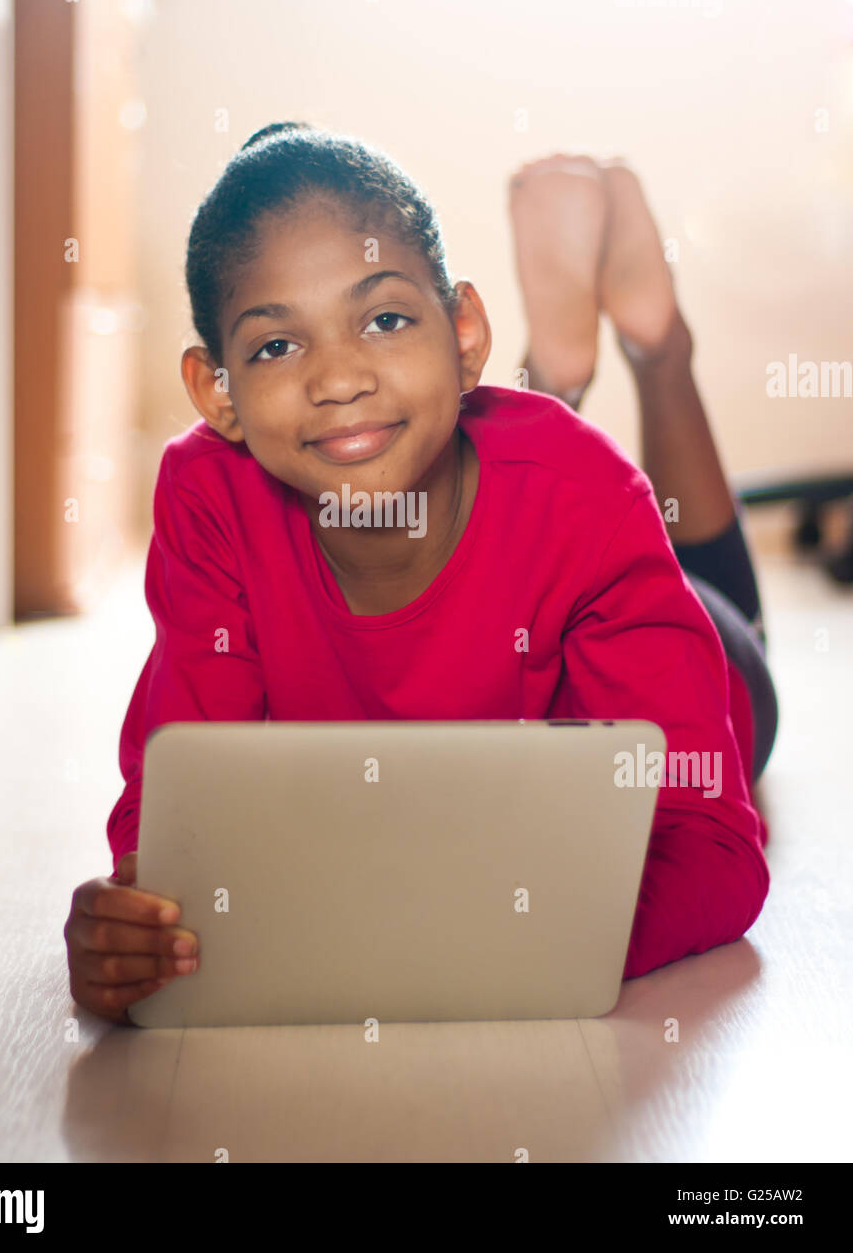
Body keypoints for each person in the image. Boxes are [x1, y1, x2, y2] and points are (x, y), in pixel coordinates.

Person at [64, 125, 778, 1024]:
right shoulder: (208, 495)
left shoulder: (590, 499)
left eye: (387, 319)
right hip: (534, 520)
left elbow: (712, 845)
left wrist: (521, 937)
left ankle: (656, 348)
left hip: (697, 648)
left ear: (463, 333)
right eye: (277, 347)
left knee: (720, 608)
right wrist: (140, 927)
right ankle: (555, 369)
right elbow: (180, 806)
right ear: (218, 394)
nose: (338, 379)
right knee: (530, 482)